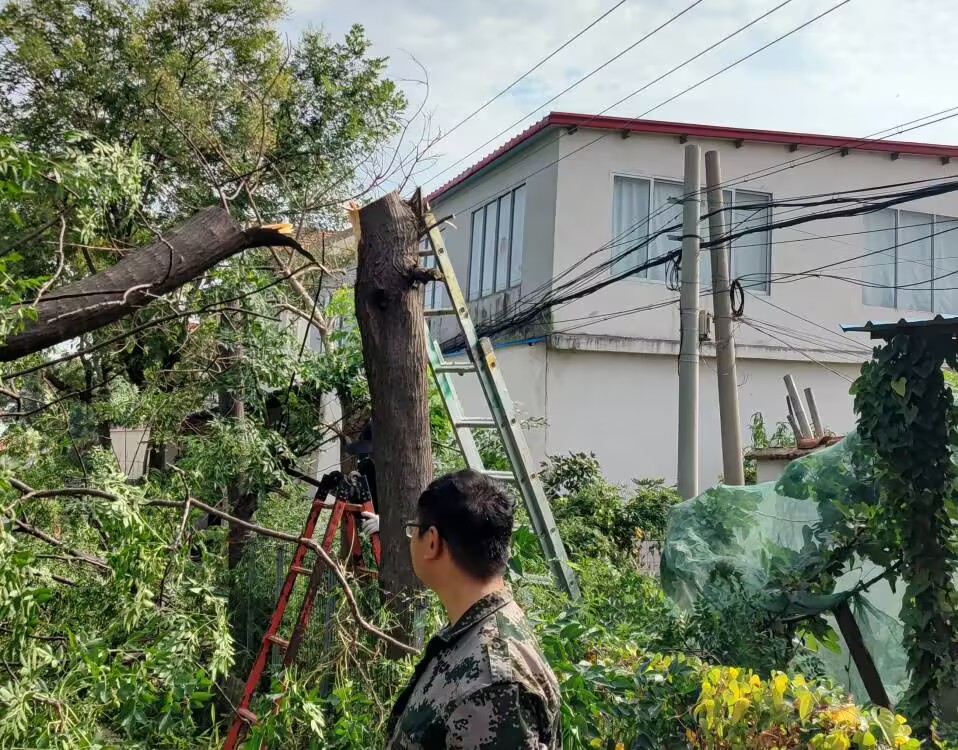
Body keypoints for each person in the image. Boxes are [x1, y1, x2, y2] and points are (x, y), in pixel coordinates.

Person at [366, 469, 561, 749]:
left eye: (413, 529)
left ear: (432, 542)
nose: (411, 538)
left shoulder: (493, 684)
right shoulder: (476, 630)